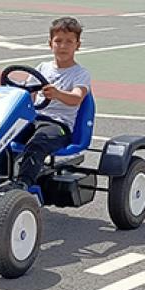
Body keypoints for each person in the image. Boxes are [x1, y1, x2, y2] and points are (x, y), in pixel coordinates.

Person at [17, 17, 91, 184]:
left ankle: (23, 185)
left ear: (77, 45)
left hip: (59, 125)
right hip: (35, 120)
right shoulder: (43, 68)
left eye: (69, 42)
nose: (63, 46)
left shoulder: (80, 74)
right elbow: (30, 95)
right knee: (2, 137)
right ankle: (0, 177)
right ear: (50, 43)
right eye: (58, 41)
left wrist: (57, 94)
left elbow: (77, 98)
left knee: (38, 144)